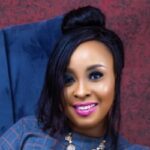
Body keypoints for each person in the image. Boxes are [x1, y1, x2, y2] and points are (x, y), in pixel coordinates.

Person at [0, 6, 149, 150]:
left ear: (116, 77)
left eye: (95, 75)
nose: (81, 91)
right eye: (68, 80)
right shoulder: (25, 132)